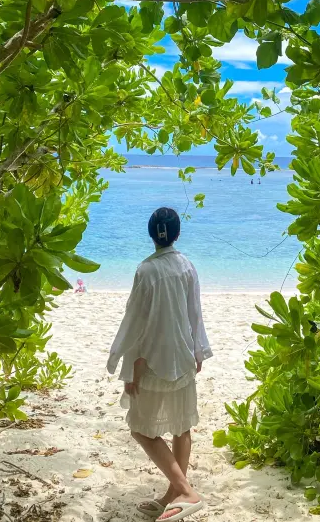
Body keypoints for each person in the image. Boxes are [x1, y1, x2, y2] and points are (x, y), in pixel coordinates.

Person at [107, 207, 211, 522]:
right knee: (182, 427)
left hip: (152, 359)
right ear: (176, 234)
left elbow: (137, 323)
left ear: (152, 235)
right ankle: (173, 493)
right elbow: (195, 313)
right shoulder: (187, 266)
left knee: (140, 428)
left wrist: (129, 368)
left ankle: (186, 490)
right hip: (181, 356)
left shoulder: (145, 271)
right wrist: (198, 350)